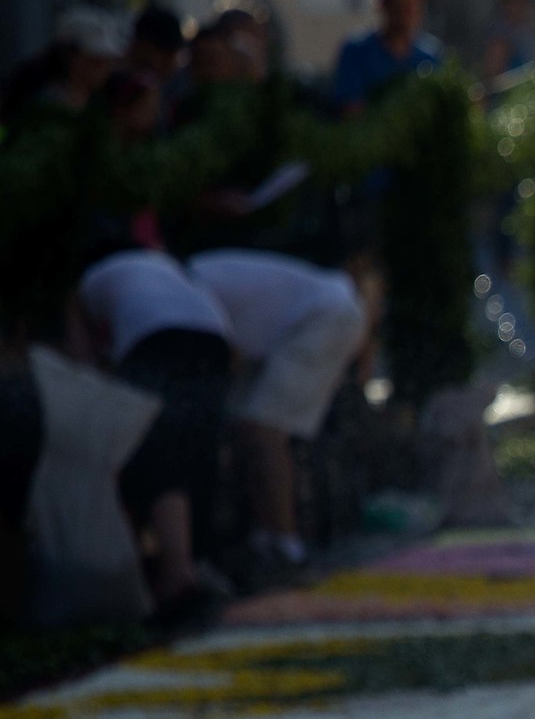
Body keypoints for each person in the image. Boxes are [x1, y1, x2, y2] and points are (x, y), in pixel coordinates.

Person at [69, 249, 235, 625]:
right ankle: (196, 561)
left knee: (154, 446)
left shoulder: (86, 284)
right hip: (215, 336)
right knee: (196, 450)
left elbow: (83, 369)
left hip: (153, 340)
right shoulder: (169, 268)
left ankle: (174, 573)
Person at [185, 251, 368, 573]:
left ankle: (286, 545)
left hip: (325, 316)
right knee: (247, 428)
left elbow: (227, 356)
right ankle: (264, 536)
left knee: (263, 430)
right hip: (294, 328)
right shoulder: (184, 280)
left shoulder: (188, 288)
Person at [332, 0, 442, 114]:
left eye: (410, 7)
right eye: (398, 7)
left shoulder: (430, 55)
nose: (405, 15)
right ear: (383, 5)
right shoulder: (357, 51)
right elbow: (350, 109)